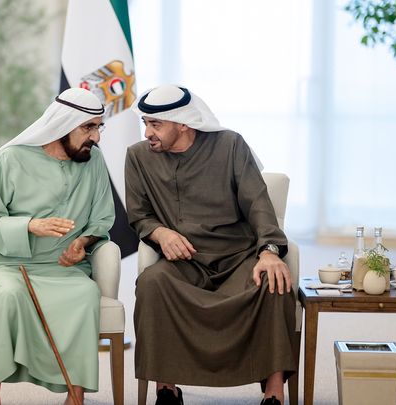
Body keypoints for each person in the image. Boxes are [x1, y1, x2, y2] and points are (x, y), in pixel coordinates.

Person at [125, 85, 296, 405]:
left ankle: (274, 393)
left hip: (237, 257)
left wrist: (269, 252)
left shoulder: (230, 145)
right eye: (145, 123)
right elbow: (138, 215)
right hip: (183, 262)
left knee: (273, 281)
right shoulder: (137, 156)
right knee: (152, 283)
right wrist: (161, 233)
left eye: (155, 124)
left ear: (183, 123)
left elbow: (258, 206)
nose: (147, 132)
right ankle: (167, 388)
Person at [0, 88, 115, 405]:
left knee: (85, 294)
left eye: (99, 127)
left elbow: (103, 218)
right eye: (88, 127)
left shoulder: (93, 161)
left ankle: (76, 394)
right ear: (63, 125)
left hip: (62, 268)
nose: (96, 137)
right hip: (7, 264)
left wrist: (82, 242)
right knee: (7, 295)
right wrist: (29, 225)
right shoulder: (11, 159)